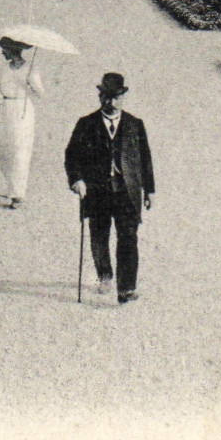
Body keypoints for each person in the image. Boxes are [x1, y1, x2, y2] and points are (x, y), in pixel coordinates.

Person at [65, 72, 155, 305]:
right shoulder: (86, 124)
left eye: (115, 98)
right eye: (106, 97)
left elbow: (145, 159)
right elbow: (71, 155)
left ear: (123, 97)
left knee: (128, 237)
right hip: (97, 191)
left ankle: (126, 288)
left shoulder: (136, 125)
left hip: (127, 191)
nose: (111, 103)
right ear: (99, 97)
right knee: (99, 235)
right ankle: (105, 275)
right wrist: (77, 180)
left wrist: (149, 190)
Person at [0, 38, 44, 207]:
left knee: (19, 151)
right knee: (3, 150)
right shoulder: (3, 68)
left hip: (22, 111)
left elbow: (41, 93)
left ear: (13, 50)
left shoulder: (30, 69)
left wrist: (32, 81)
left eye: (4, 49)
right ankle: (12, 185)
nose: (2, 53)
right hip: (4, 109)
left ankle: (18, 194)